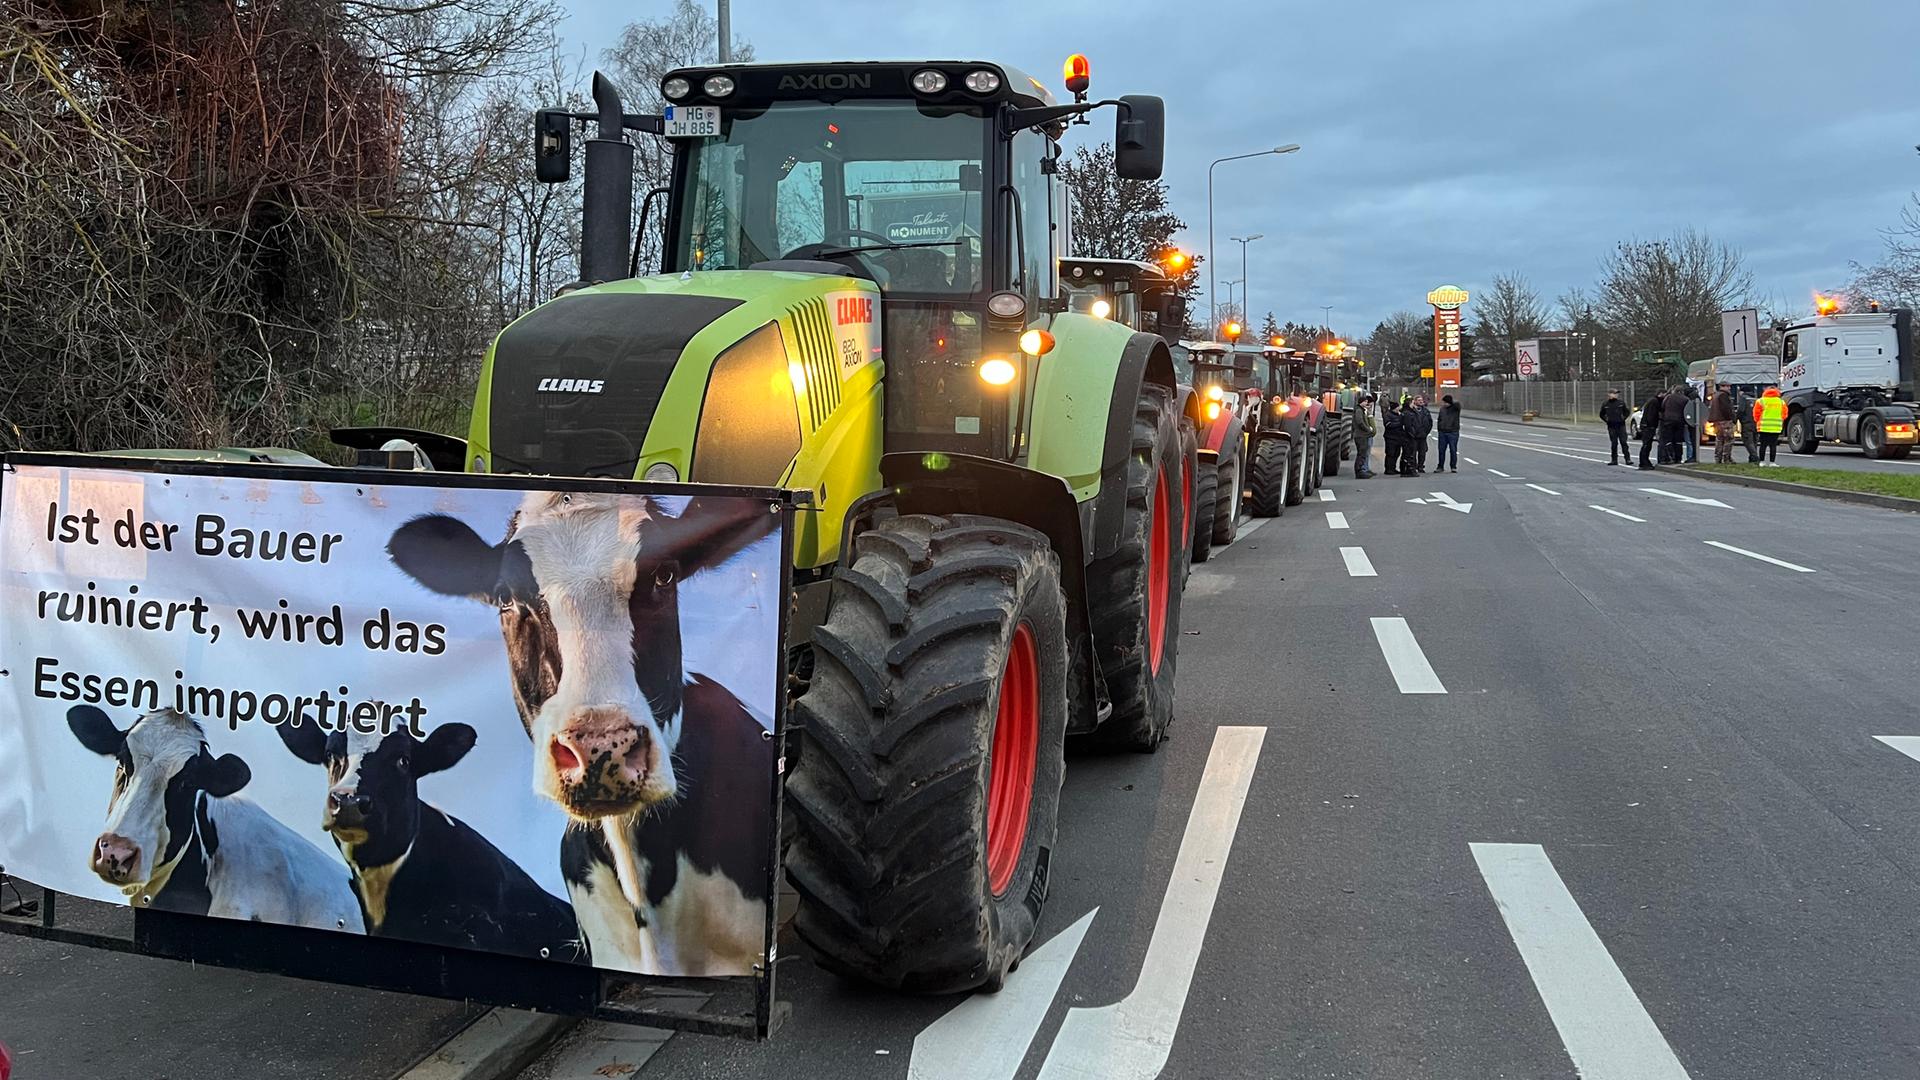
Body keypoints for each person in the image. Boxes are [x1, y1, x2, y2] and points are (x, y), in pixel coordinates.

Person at [1753, 386, 1787, 466]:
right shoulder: (1781, 402)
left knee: (1763, 445)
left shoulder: (1761, 401)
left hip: (1763, 426)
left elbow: (1756, 414)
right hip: (1776, 427)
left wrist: (1758, 421)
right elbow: (1784, 415)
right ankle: (1772, 462)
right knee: (1773, 445)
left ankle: (1762, 462)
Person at [1402, 394, 1433, 476]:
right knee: (1413, 452)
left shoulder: (1425, 411)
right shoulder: (1411, 411)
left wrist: (1426, 432)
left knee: (1423, 452)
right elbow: (1409, 424)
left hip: (1423, 435)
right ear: (1415, 401)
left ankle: (1421, 467)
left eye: (1422, 401)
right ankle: (1413, 466)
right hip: (1414, 435)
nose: (1421, 402)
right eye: (1419, 400)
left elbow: (1430, 422)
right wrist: (1413, 432)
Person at [1599, 389, 1631, 465]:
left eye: (1617, 393)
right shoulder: (1605, 404)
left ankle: (1628, 459)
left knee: (1624, 442)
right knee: (1614, 443)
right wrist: (1607, 420)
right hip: (1611, 426)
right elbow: (1601, 414)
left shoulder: (1621, 403)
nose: (1616, 395)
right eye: (1614, 393)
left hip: (1621, 426)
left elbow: (1627, 412)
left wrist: (1623, 418)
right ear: (1609, 394)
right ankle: (1614, 459)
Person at [1659, 385, 1689, 465]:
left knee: (1669, 440)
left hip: (1668, 421)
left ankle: (1670, 456)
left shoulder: (1668, 397)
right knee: (1678, 441)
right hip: (1680, 421)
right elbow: (1687, 410)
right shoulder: (1685, 399)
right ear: (1681, 391)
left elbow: (1663, 406)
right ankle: (1678, 458)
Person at [1708, 382, 1736, 464]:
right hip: (1724, 421)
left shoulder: (1715, 395)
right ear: (1722, 387)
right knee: (1728, 440)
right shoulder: (1723, 396)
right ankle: (1726, 458)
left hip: (1717, 422)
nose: (1729, 388)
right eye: (1727, 386)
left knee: (1719, 440)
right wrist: (1732, 418)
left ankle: (1718, 458)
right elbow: (1726, 409)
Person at [1638, 388, 1665, 469]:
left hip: (1647, 425)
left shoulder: (1653, 401)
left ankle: (1644, 462)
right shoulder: (1654, 402)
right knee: (1646, 445)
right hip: (1648, 426)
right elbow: (1651, 415)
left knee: (1647, 445)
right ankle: (1644, 462)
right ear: (1660, 393)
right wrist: (1652, 425)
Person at [1352, 393, 1377, 478]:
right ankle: (1359, 471)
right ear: (1361, 402)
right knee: (1361, 453)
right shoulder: (1359, 410)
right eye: (1365, 401)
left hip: (1362, 435)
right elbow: (1359, 422)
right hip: (1361, 435)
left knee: (1362, 453)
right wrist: (1368, 429)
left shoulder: (1361, 410)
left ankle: (1361, 470)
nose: (1366, 403)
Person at [1436, 394, 1462, 472]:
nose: (1443, 404)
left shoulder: (1455, 408)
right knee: (1441, 450)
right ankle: (1440, 466)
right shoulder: (1442, 409)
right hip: (1443, 432)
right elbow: (1439, 419)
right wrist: (1439, 428)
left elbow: (1457, 404)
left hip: (1453, 432)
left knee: (1453, 450)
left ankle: (1453, 466)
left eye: (1445, 402)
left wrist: (1451, 402)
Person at [1380, 397, 1403, 477]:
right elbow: (1388, 425)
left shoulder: (1399, 414)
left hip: (1398, 437)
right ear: (1394, 408)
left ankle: (1393, 468)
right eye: (1398, 407)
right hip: (1390, 437)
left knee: (1397, 453)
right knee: (1390, 453)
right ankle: (1388, 469)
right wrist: (1399, 424)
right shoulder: (1388, 415)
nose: (1399, 408)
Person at [1682, 386, 1701, 463]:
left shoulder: (1687, 399)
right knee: (1693, 440)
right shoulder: (1697, 398)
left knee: (1689, 440)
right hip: (1696, 422)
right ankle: (1694, 456)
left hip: (1689, 422)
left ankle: (1691, 456)